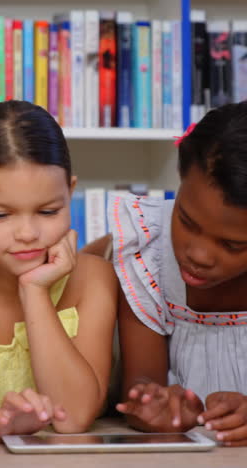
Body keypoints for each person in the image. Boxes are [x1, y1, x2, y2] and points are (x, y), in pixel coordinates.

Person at [108, 101, 247, 447]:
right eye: (186, 221)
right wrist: (153, 405)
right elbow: (141, 380)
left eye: (231, 245)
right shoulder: (148, 254)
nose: (198, 255)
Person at [0, 100, 117, 443]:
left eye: (47, 211)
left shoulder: (94, 279)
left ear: (70, 193)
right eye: (0, 215)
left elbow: (73, 417)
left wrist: (35, 291)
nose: (27, 233)